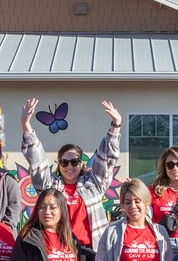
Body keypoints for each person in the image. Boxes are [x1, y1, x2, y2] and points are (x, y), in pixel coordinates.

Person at [21, 98, 122, 250]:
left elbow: (106, 159)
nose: (69, 166)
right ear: (59, 164)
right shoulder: (51, 187)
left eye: (74, 162)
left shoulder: (93, 184)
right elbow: (37, 161)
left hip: (90, 248)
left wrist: (116, 125)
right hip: (58, 248)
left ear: (81, 164)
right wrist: (26, 125)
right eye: (64, 162)